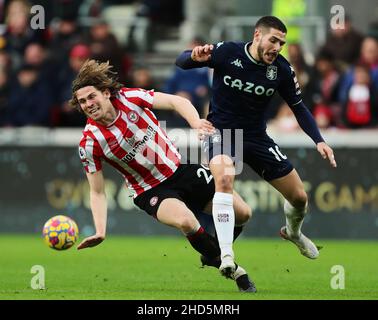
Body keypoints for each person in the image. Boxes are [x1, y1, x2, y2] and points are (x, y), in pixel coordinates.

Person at [69, 59, 256, 293]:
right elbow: (97, 191)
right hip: (150, 190)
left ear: (106, 93)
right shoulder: (89, 142)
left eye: (91, 97)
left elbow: (176, 101)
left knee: (243, 213)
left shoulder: (129, 98)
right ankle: (236, 270)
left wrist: (196, 122)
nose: (88, 104)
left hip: (181, 169)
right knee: (187, 221)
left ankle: (212, 254)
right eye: (82, 101)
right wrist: (100, 230)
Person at [175, 16, 337, 272]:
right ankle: (226, 254)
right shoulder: (228, 52)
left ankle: (293, 233)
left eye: (282, 43)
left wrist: (319, 140)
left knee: (299, 197)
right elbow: (181, 62)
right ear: (257, 35)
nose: (277, 47)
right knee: (225, 181)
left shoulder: (281, 70)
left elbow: (299, 107)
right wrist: (193, 56)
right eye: (273, 40)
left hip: (256, 137)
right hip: (222, 133)